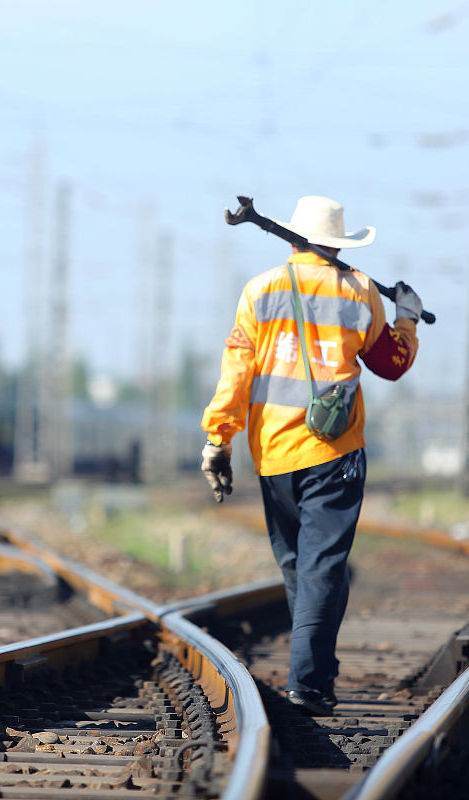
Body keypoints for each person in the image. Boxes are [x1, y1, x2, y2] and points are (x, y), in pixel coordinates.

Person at [199, 195, 421, 716]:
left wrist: (218, 439)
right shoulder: (360, 289)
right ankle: (310, 682)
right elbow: (390, 363)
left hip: (273, 451)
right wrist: (407, 317)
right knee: (323, 566)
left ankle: (315, 671)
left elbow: (237, 371)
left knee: (301, 565)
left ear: (292, 237)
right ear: (336, 243)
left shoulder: (260, 290)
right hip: (334, 449)